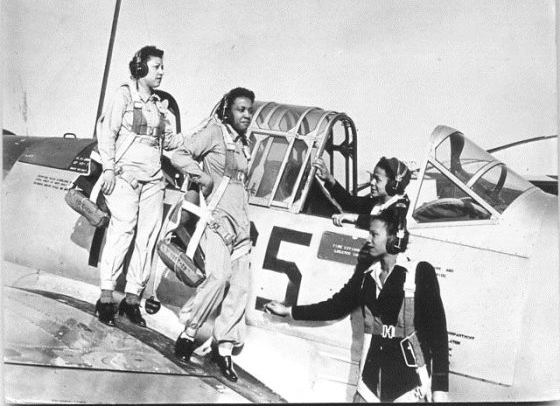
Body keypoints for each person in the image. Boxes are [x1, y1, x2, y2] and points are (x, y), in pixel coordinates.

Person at [265, 208, 449, 402]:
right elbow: (335, 306)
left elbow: (438, 334)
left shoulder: (419, 273)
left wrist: (440, 390)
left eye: (374, 234)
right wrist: (290, 311)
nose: (368, 240)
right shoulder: (366, 277)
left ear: (394, 238)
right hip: (368, 388)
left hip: (410, 389)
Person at [95, 45, 184, 327]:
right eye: (156, 66)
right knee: (123, 230)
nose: (161, 72)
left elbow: (171, 143)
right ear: (140, 68)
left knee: (147, 237)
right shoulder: (123, 95)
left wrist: (192, 129)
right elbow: (106, 133)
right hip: (124, 175)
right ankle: (106, 298)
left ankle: (132, 299)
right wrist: (109, 169)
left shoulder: (159, 106)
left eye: (162, 67)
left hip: (153, 179)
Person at [171, 87, 255, 382]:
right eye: (241, 109)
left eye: (249, 110)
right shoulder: (214, 133)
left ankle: (225, 350)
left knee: (239, 289)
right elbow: (179, 153)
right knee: (218, 278)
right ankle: (189, 332)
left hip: (241, 225)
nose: (246, 115)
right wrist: (201, 176)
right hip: (217, 220)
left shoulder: (246, 144)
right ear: (228, 110)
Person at [313, 156, 412, 227]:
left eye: (377, 179)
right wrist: (329, 179)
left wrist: (354, 217)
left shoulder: (402, 206)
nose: (372, 182)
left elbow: (386, 222)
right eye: (373, 178)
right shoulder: (377, 203)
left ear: (392, 184)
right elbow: (348, 202)